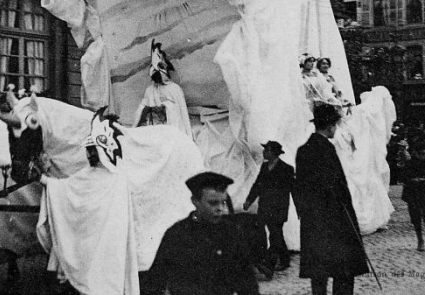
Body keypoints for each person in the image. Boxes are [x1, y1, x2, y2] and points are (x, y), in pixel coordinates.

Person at [295, 104, 369, 295]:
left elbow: (301, 188)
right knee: (344, 268)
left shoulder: (303, 150)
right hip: (334, 219)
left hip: (312, 220)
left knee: (318, 272)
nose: (335, 129)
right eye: (335, 125)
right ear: (329, 126)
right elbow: (336, 186)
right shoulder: (326, 149)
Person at [145, 171, 259, 295]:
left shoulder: (231, 232)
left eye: (224, 202)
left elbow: (248, 281)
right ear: (195, 201)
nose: (220, 208)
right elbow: (155, 281)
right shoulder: (177, 234)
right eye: (213, 203)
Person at [243, 141, 295, 272]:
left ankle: (273, 263)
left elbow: (292, 189)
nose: (263, 153)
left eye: (266, 150)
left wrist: (301, 207)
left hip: (278, 208)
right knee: (269, 233)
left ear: (273, 153)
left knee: (275, 234)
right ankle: (281, 259)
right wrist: (249, 200)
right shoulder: (264, 166)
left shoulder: (287, 169)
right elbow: (257, 184)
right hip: (264, 206)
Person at [134, 40, 192, 136]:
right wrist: (147, 109)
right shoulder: (149, 90)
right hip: (153, 133)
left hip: (171, 133)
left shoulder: (175, 89)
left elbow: (183, 115)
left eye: (160, 66)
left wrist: (165, 107)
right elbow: (140, 112)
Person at [401, 142, 425, 253]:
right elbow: (404, 178)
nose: (423, 155)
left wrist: (424, 180)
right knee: (416, 218)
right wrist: (415, 180)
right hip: (413, 194)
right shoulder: (409, 164)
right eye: (421, 153)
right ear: (415, 153)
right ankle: (420, 239)